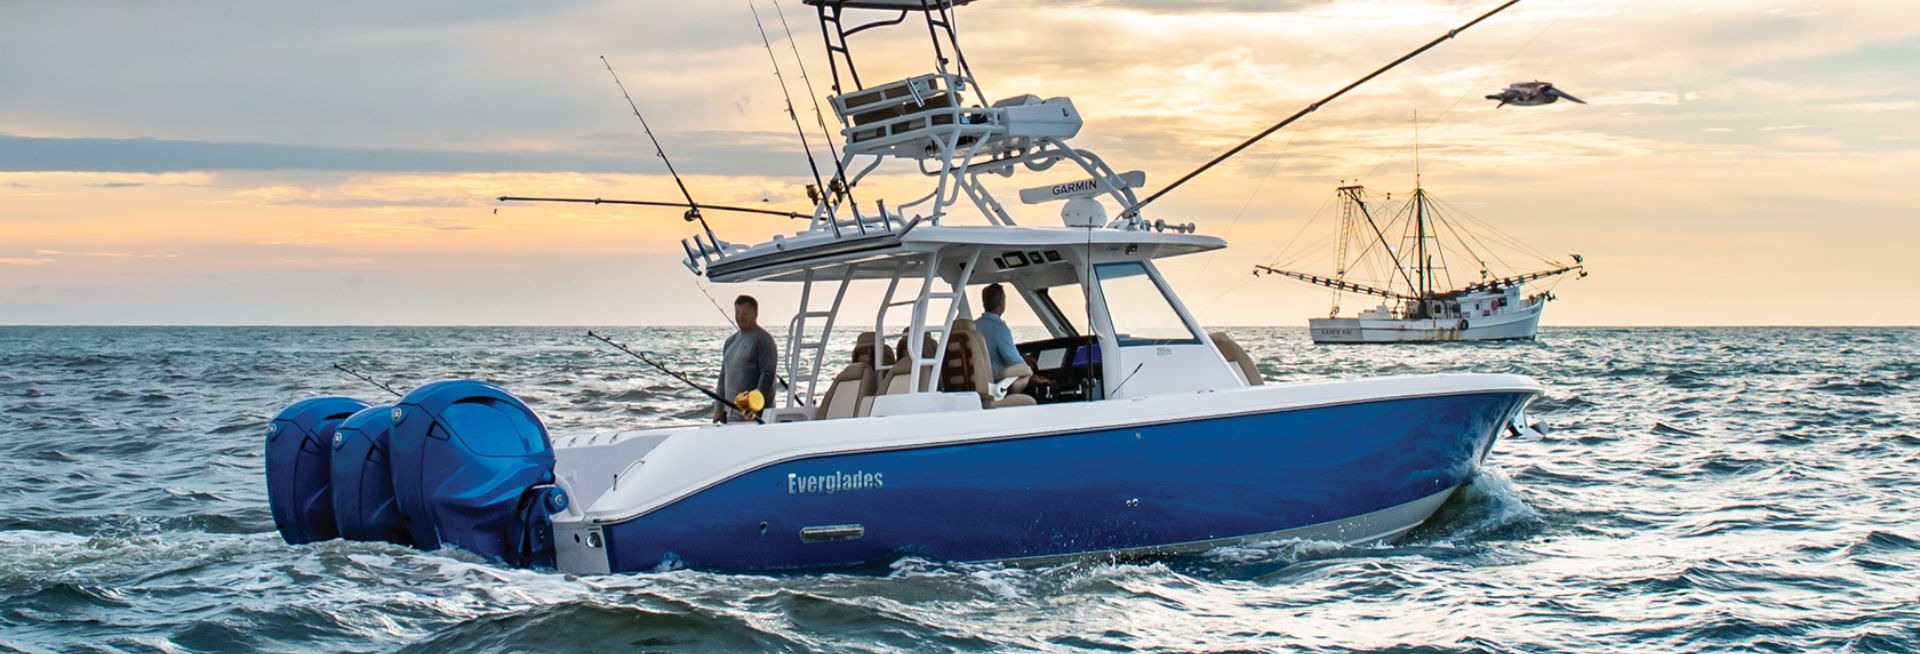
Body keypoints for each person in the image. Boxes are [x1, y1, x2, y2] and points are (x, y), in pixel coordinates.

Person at [714, 295, 778, 423]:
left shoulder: (763, 340)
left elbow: (768, 375)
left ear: (755, 314)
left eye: (745, 313)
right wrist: (718, 409)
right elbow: (722, 378)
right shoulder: (730, 341)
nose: (740, 317)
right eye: (737, 313)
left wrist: (754, 407)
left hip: (754, 417)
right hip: (731, 417)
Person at [973, 284, 1025, 379]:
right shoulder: (999, 328)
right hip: (996, 385)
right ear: (1001, 302)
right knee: (1027, 374)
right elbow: (1013, 360)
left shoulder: (973, 326)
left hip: (977, 381)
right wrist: (1030, 371)